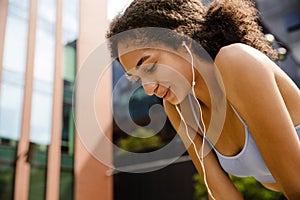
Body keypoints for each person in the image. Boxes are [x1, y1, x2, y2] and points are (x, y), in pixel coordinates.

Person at [106, 0, 300, 199]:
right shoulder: (179, 108)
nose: (148, 89)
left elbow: (297, 185)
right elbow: (219, 193)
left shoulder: (236, 61)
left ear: (183, 40)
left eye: (150, 67)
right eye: (138, 79)